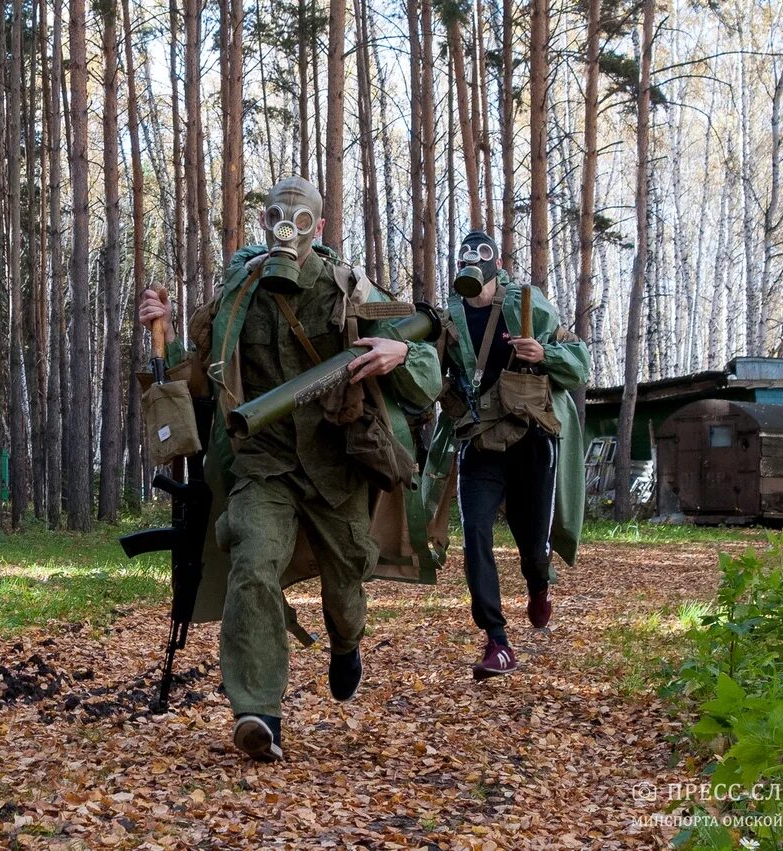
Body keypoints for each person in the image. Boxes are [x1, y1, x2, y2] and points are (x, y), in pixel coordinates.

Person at [137, 176, 441, 761]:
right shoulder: (239, 295)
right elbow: (202, 378)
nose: (288, 229)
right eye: (277, 216)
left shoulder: (348, 287)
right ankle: (258, 712)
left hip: (336, 464)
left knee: (346, 578)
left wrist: (399, 353)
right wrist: (168, 335)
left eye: (302, 221)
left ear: (320, 228)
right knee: (252, 562)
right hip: (264, 461)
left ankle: (345, 642)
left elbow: (421, 351)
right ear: (263, 222)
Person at [439, 230, 590, 679]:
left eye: (482, 256)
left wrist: (543, 354)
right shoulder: (448, 318)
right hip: (480, 442)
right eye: (466, 255)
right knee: (476, 536)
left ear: (497, 263)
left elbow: (579, 362)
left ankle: (539, 584)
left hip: (530, 439)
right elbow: (428, 373)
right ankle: (497, 641)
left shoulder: (527, 303)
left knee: (531, 541)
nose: (473, 262)